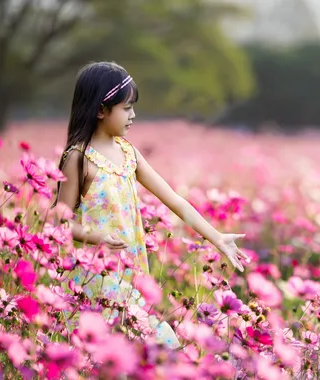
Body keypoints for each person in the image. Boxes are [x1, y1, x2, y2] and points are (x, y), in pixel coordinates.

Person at [54, 61, 250, 348]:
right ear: (100, 110)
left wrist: (217, 237)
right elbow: (60, 221)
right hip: (93, 278)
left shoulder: (128, 153)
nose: (133, 115)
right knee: (151, 347)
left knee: (140, 352)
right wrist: (95, 237)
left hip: (129, 274)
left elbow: (176, 201)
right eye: (126, 108)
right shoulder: (78, 158)